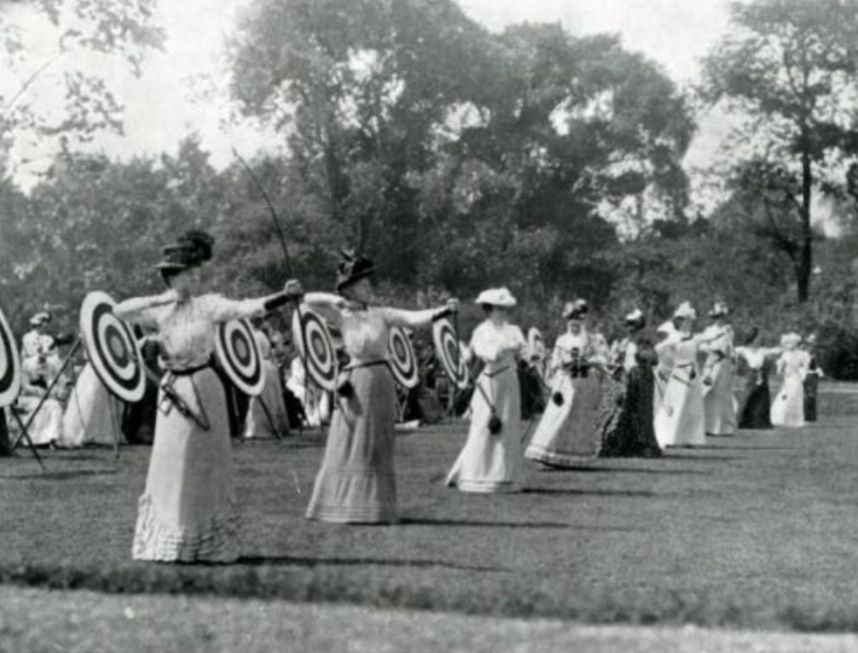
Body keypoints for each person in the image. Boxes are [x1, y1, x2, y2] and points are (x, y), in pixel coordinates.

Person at [113, 229, 300, 563]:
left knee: (203, 465)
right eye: (188, 273)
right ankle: (170, 541)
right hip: (173, 393)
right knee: (172, 465)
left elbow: (246, 308)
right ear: (173, 277)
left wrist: (281, 297)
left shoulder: (208, 304)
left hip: (204, 386)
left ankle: (207, 543)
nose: (196, 277)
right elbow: (119, 311)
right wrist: (162, 300)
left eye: (197, 272)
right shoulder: (159, 311)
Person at [300, 249, 457, 523]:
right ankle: (342, 504)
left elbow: (413, 318)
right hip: (356, 380)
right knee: (352, 442)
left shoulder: (381, 314)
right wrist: (336, 301)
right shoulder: (341, 315)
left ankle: (374, 507)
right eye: (362, 284)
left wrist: (444, 310)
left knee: (377, 443)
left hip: (380, 381)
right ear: (349, 290)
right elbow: (306, 301)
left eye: (368, 283)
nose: (369, 288)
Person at [448, 287, 526, 491]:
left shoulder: (513, 330)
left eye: (505, 309)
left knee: (508, 425)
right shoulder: (482, 331)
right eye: (498, 309)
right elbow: (487, 354)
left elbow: (521, 347)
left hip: (509, 380)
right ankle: (476, 475)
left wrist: (510, 349)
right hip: (490, 382)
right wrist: (505, 348)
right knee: (485, 425)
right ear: (489, 310)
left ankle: (505, 476)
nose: (503, 313)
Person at [524, 299, 607, 467]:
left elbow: (601, 358)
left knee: (579, 419)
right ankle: (549, 452)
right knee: (558, 415)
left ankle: (573, 457)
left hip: (583, 383)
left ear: (582, 321)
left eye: (577, 321)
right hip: (566, 384)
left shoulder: (590, 339)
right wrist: (560, 365)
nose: (574, 324)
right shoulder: (561, 340)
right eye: (571, 321)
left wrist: (588, 361)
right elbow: (555, 360)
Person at [600, 309, 661, 458]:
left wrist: (643, 356)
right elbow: (623, 360)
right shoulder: (627, 341)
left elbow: (653, 360)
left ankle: (643, 445)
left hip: (642, 377)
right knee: (624, 411)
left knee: (641, 412)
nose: (629, 328)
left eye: (632, 324)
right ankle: (623, 444)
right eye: (628, 325)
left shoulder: (644, 340)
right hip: (629, 377)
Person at [654, 302, 707, 447]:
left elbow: (707, 338)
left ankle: (688, 437)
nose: (687, 322)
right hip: (679, 371)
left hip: (693, 371)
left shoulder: (694, 337)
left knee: (692, 405)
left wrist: (723, 331)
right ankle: (669, 436)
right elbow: (659, 349)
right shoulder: (673, 335)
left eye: (689, 320)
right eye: (684, 319)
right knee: (676, 403)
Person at [60, 349, 125, 447]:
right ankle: (85, 432)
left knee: (103, 401)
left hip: (107, 369)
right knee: (89, 398)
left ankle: (102, 433)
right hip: (94, 369)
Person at [244, 331, 291, 439]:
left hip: (260, 366)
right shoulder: (271, 365)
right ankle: (276, 425)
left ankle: (257, 428)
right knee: (273, 397)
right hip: (267, 366)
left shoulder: (255, 365)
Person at [700, 302, 737, 436]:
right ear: (714, 317)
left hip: (724, 364)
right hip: (712, 362)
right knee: (709, 392)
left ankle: (724, 427)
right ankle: (707, 426)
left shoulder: (729, 329)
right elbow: (702, 346)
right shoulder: (709, 330)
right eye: (718, 316)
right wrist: (713, 350)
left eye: (723, 316)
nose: (721, 319)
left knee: (723, 394)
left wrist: (733, 361)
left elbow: (731, 347)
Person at [16, 351, 66, 446]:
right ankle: (35, 439)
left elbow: (61, 379)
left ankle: (52, 437)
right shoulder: (27, 363)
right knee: (39, 406)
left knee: (54, 405)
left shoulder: (52, 363)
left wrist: (58, 390)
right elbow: (25, 385)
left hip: (47, 397)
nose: (43, 359)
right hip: (29, 397)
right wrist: (37, 390)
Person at [735, 337, 779, 430]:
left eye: (758, 341)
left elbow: (774, 351)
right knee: (748, 396)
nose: (757, 343)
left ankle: (760, 421)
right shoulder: (744, 350)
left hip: (761, 374)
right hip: (751, 374)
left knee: (762, 398)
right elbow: (732, 351)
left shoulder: (762, 351)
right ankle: (743, 420)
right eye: (755, 341)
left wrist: (784, 347)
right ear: (750, 342)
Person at [770, 333, 809, 428]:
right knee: (784, 397)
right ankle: (781, 418)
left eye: (792, 343)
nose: (790, 345)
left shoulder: (802, 354)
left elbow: (805, 367)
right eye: (788, 343)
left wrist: (803, 376)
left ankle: (794, 420)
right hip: (787, 378)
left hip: (796, 378)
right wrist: (780, 369)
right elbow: (781, 367)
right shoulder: (785, 354)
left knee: (794, 396)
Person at [802, 334, 823, 423]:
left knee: (812, 395)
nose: (812, 346)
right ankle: (806, 416)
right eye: (810, 343)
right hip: (806, 374)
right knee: (808, 395)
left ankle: (811, 417)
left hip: (813, 375)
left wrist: (819, 371)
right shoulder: (804, 353)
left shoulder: (814, 354)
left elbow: (816, 365)